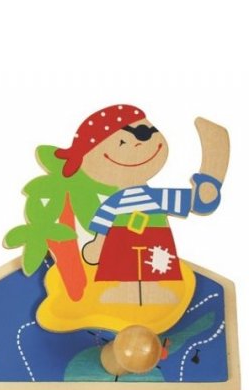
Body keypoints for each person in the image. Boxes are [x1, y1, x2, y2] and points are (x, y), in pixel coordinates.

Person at [54, 104, 223, 304]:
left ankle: (153, 292)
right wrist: (98, 245)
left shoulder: (157, 198)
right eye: (122, 142)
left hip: (154, 240)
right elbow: (103, 224)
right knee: (122, 268)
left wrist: (211, 179)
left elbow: (198, 203)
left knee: (155, 265)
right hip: (121, 242)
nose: (137, 145)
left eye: (145, 133)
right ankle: (124, 291)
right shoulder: (114, 203)